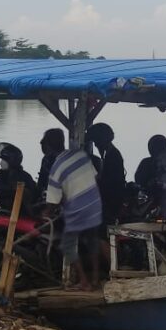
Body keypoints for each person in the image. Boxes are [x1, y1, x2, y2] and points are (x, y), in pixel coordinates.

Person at [45, 142, 103, 290]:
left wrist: (47, 213)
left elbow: (53, 201)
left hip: (77, 211)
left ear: (49, 147)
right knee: (92, 242)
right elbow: (95, 177)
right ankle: (96, 279)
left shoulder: (56, 167)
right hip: (94, 206)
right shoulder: (80, 155)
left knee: (68, 245)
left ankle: (83, 282)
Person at [87, 123, 127, 226]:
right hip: (109, 200)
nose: (95, 145)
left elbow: (109, 183)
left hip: (111, 202)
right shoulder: (108, 155)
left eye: (96, 141)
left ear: (102, 140)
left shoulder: (113, 157)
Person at [0, 142, 37, 210]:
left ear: (13, 161)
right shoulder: (1, 174)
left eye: (4, 160)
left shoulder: (25, 176)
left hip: (20, 210)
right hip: (2, 208)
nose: (1, 162)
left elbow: (31, 196)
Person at [37, 128, 65, 198]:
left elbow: (41, 184)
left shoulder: (49, 160)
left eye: (44, 141)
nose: (41, 142)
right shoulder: (47, 159)